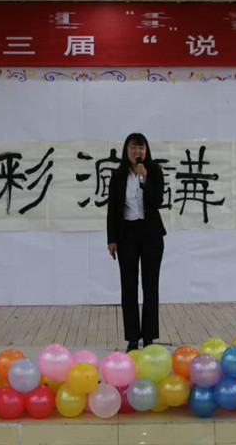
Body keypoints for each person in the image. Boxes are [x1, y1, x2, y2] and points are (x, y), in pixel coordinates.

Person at [107, 132, 167, 352]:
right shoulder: (118, 176)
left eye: (141, 148)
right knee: (129, 287)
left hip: (151, 234)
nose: (137, 151)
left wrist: (146, 178)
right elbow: (112, 208)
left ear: (146, 150)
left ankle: (149, 337)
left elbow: (157, 201)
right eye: (133, 147)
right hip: (127, 234)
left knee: (150, 286)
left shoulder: (154, 171)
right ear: (127, 150)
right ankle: (132, 338)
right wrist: (112, 239)